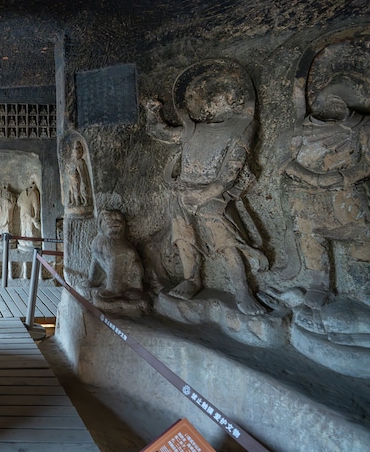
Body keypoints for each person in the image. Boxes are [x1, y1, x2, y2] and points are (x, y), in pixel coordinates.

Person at [145, 64, 267, 315]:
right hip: (184, 189)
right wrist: (152, 114)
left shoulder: (242, 127)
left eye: (210, 95)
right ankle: (191, 278)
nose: (201, 102)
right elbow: (162, 133)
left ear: (231, 98)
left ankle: (241, 287)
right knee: (182, 233)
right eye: (195, 97)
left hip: (217, 192)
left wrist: (204, 194)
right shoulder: (193, 129)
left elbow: (230, 172)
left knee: (221, 232)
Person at [281, 78, 370, 308]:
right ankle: (318, 284)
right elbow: (285, 161)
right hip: (306, 195)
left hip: (345, 195)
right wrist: (312, 178)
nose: (332, 103)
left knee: (362, 236)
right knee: (310, 237)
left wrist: (343, 177)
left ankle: (363, 283)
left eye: (339, 99)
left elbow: (367, 164)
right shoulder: (300, 129)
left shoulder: (363, 127)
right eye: (326, 98)